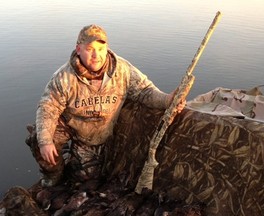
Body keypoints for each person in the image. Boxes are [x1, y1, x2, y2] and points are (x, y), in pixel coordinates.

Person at [27, 24, 186, 187]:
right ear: (78, 49)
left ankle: (77, 159)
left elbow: (144, 91)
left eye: (101, 49)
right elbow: (47, 108)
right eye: (90, 49)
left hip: (96, 135)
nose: (96, 55)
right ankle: (54, 175)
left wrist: (167, 100)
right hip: (70, 124)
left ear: (107, 49)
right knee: (39, 141)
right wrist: (45, 142)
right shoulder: (64, 77)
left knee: (85, 177)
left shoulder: (122, 69)